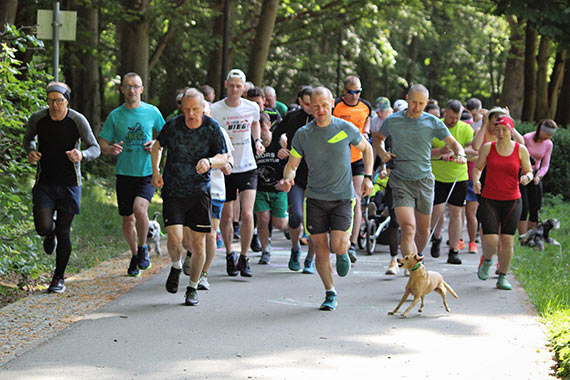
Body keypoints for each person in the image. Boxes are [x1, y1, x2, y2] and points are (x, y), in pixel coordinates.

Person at [278, 86, 374, 311]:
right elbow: (292, 165)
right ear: (309, 106)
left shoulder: (345, 128)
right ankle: (330, 292)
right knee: (320, 247)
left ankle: (342, 253)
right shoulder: (303, 134)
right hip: (315, 198)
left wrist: (368, 177)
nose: (320, 110)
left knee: (337, 245)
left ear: (332, 104)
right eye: (316, 105)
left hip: (342, 197)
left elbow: (367, 149)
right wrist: (288, 179)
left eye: (324, 105)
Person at [151, 88, 228, 305]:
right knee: (175, 238)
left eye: (195, 109)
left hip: (199, 192)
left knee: (197, 244)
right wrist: (156, 171)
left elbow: (224, 156)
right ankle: (176, 266)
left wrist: (210, 162)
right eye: (186, 109)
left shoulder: (211, 128)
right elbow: (157, 146)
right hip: (173, 190)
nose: (190, 114)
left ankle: (192, 287)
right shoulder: (173, 126)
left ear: (203, 107)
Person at [376, 85, 467, 265]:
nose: (417, 107)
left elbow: (455, 144)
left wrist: (461, 155)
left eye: (421, 104)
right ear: (407, 98)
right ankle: (414, 269)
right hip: (400, 180)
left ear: (426, 103)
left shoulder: (432, 122)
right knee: (408, 228)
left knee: (424, 231)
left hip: (424, 181)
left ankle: (413, 259)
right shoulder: (393, 120)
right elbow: (378, 138)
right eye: (414, 102)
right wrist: (382, 153)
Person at [23, 82, 101, 293]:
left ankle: (58, 278)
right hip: (44, 182)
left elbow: (95, 148)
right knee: (43, 227)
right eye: (51, 101)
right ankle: (50, 232)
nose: (54, 105)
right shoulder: (38, 119)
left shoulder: (77, 120)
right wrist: (31, 151)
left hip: (70, 183)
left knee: (64, 232)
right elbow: (28, 139)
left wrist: (82, 155)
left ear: (67, 101)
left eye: (59, 100)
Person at [99, 72, 165, 277]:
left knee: (140, 208)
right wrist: (109, 149)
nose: (131, 90)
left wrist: (155, 144)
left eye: (135, 86)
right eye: (127, 86)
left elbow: (165, 139)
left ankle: (144, 247)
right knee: (127, 219)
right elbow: (102, 143)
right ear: (122, 90)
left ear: (142, 89)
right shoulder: (115, 116)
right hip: (124, 173)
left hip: (146, 172)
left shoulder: (152, 112)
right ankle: (135, 254)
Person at [211, 69, 264, 278]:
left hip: (248, 166)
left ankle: (244, 256)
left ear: (244, 88)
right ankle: (230, 254)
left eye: (238, 86)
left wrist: (258, 141)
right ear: (226, 85)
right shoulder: (216, 109)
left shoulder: (251, 107)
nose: (235, 89)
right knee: (227, 215)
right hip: (227, 168)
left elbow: (255, 123)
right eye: (231, 85)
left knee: (247, 213)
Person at [473, 116, 533, 290]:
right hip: (490, 199)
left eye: (504, 129)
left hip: (512, 200)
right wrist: (476, 180)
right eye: (497, 129)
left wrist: (526, 178)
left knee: (507, 240)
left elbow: (529, 171)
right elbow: (478, 168)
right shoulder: (488, 148)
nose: (500, 133)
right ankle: (488, 259)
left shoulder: (520, 150)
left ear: (511, 131)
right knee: (491, 240)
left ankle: (503, 276)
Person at [272, 85, 316, 273]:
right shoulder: (292, 118)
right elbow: (274, 135)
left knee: (315, 221)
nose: (311, 107)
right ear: (300, 101)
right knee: (296, 216)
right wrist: (278, 149)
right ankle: (296, 248)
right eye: (307, 103)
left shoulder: (322, 120)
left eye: (313, 103)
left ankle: (310, 259)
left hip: (317, 176)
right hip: (294, 174)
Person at [332, 75, 372, 263]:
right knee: (338, 198)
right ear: (344, 92)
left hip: (357, 158)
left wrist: (366, 132)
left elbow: (368, 121)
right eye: (351, 92)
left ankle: (352, 244)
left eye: (358, 92)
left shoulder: (365, 107)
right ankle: (337, 237)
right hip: (338, 159)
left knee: (355, 199)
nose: (355, 96)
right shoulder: (336, 107)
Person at [429, 100, 474, 265]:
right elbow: (425, 150)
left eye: (457, 117)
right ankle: (437, 237)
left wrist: (458, 152)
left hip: (458, 177)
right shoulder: (435, 126)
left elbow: (472, 149)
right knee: (437, 211)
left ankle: (453, 250)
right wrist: (439, 152)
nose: (454, 120)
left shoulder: (466, 128)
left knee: (456, 213)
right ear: (444, 112)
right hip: (437, 176)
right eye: (451, 117)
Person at [254, 112, 289, 264]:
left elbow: (293, 162)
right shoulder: (252, 144)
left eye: (263, 126)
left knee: (279, 224)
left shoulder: (280, 141)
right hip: (260, 190)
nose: (261, 131)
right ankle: (265, 250)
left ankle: (290, 223)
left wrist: (285, 179)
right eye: (257, 127)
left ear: (269, 125)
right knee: (263, 219)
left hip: (278, 189)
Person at [518, 119, 556, 234]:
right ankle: (522, 236)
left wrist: (539, 176)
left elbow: (545, 165)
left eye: (550, 135)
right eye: (546, 134)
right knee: (524, 207)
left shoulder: (549, 144)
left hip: (535, 174)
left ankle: (532, 235)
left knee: (535, 208)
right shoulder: (527, 138)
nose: (548, 137)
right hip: (523, 173)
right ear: (540, 130)